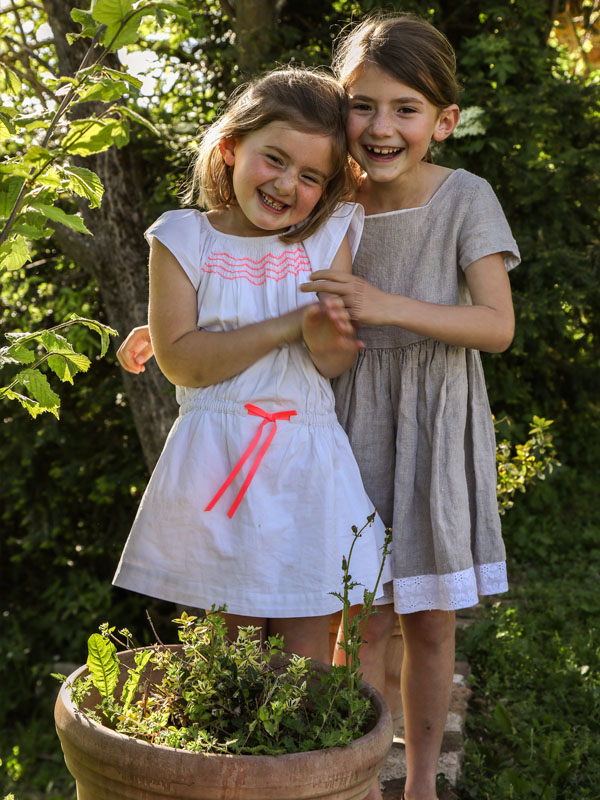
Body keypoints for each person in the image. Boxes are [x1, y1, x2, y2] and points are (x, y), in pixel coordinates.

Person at [118, 14, 520, 800]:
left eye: (405, 109)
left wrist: (376, 304)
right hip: (341, 410)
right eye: (364, 106)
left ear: (442, 120)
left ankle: (411, 783)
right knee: (342, 608)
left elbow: (494, 325)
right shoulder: (331, 200)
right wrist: (173, 326)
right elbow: (246, 273)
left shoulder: (446, 200)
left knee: (422, 614)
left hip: (416, 411)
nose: (380, 126)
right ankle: (334, 776)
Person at [112, 66, 391, 668]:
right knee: (229, 658)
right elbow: (184, 361)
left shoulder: (324, 239)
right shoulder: (185, 239)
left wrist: (324, 337)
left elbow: (337, 362)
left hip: (306, 461)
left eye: (311, 175)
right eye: (275, 159)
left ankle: (310, 764)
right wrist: (288, 326)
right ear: (232, 146)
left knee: (304, 662)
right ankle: (234, 763)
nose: (288, 184)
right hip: (220, 468)